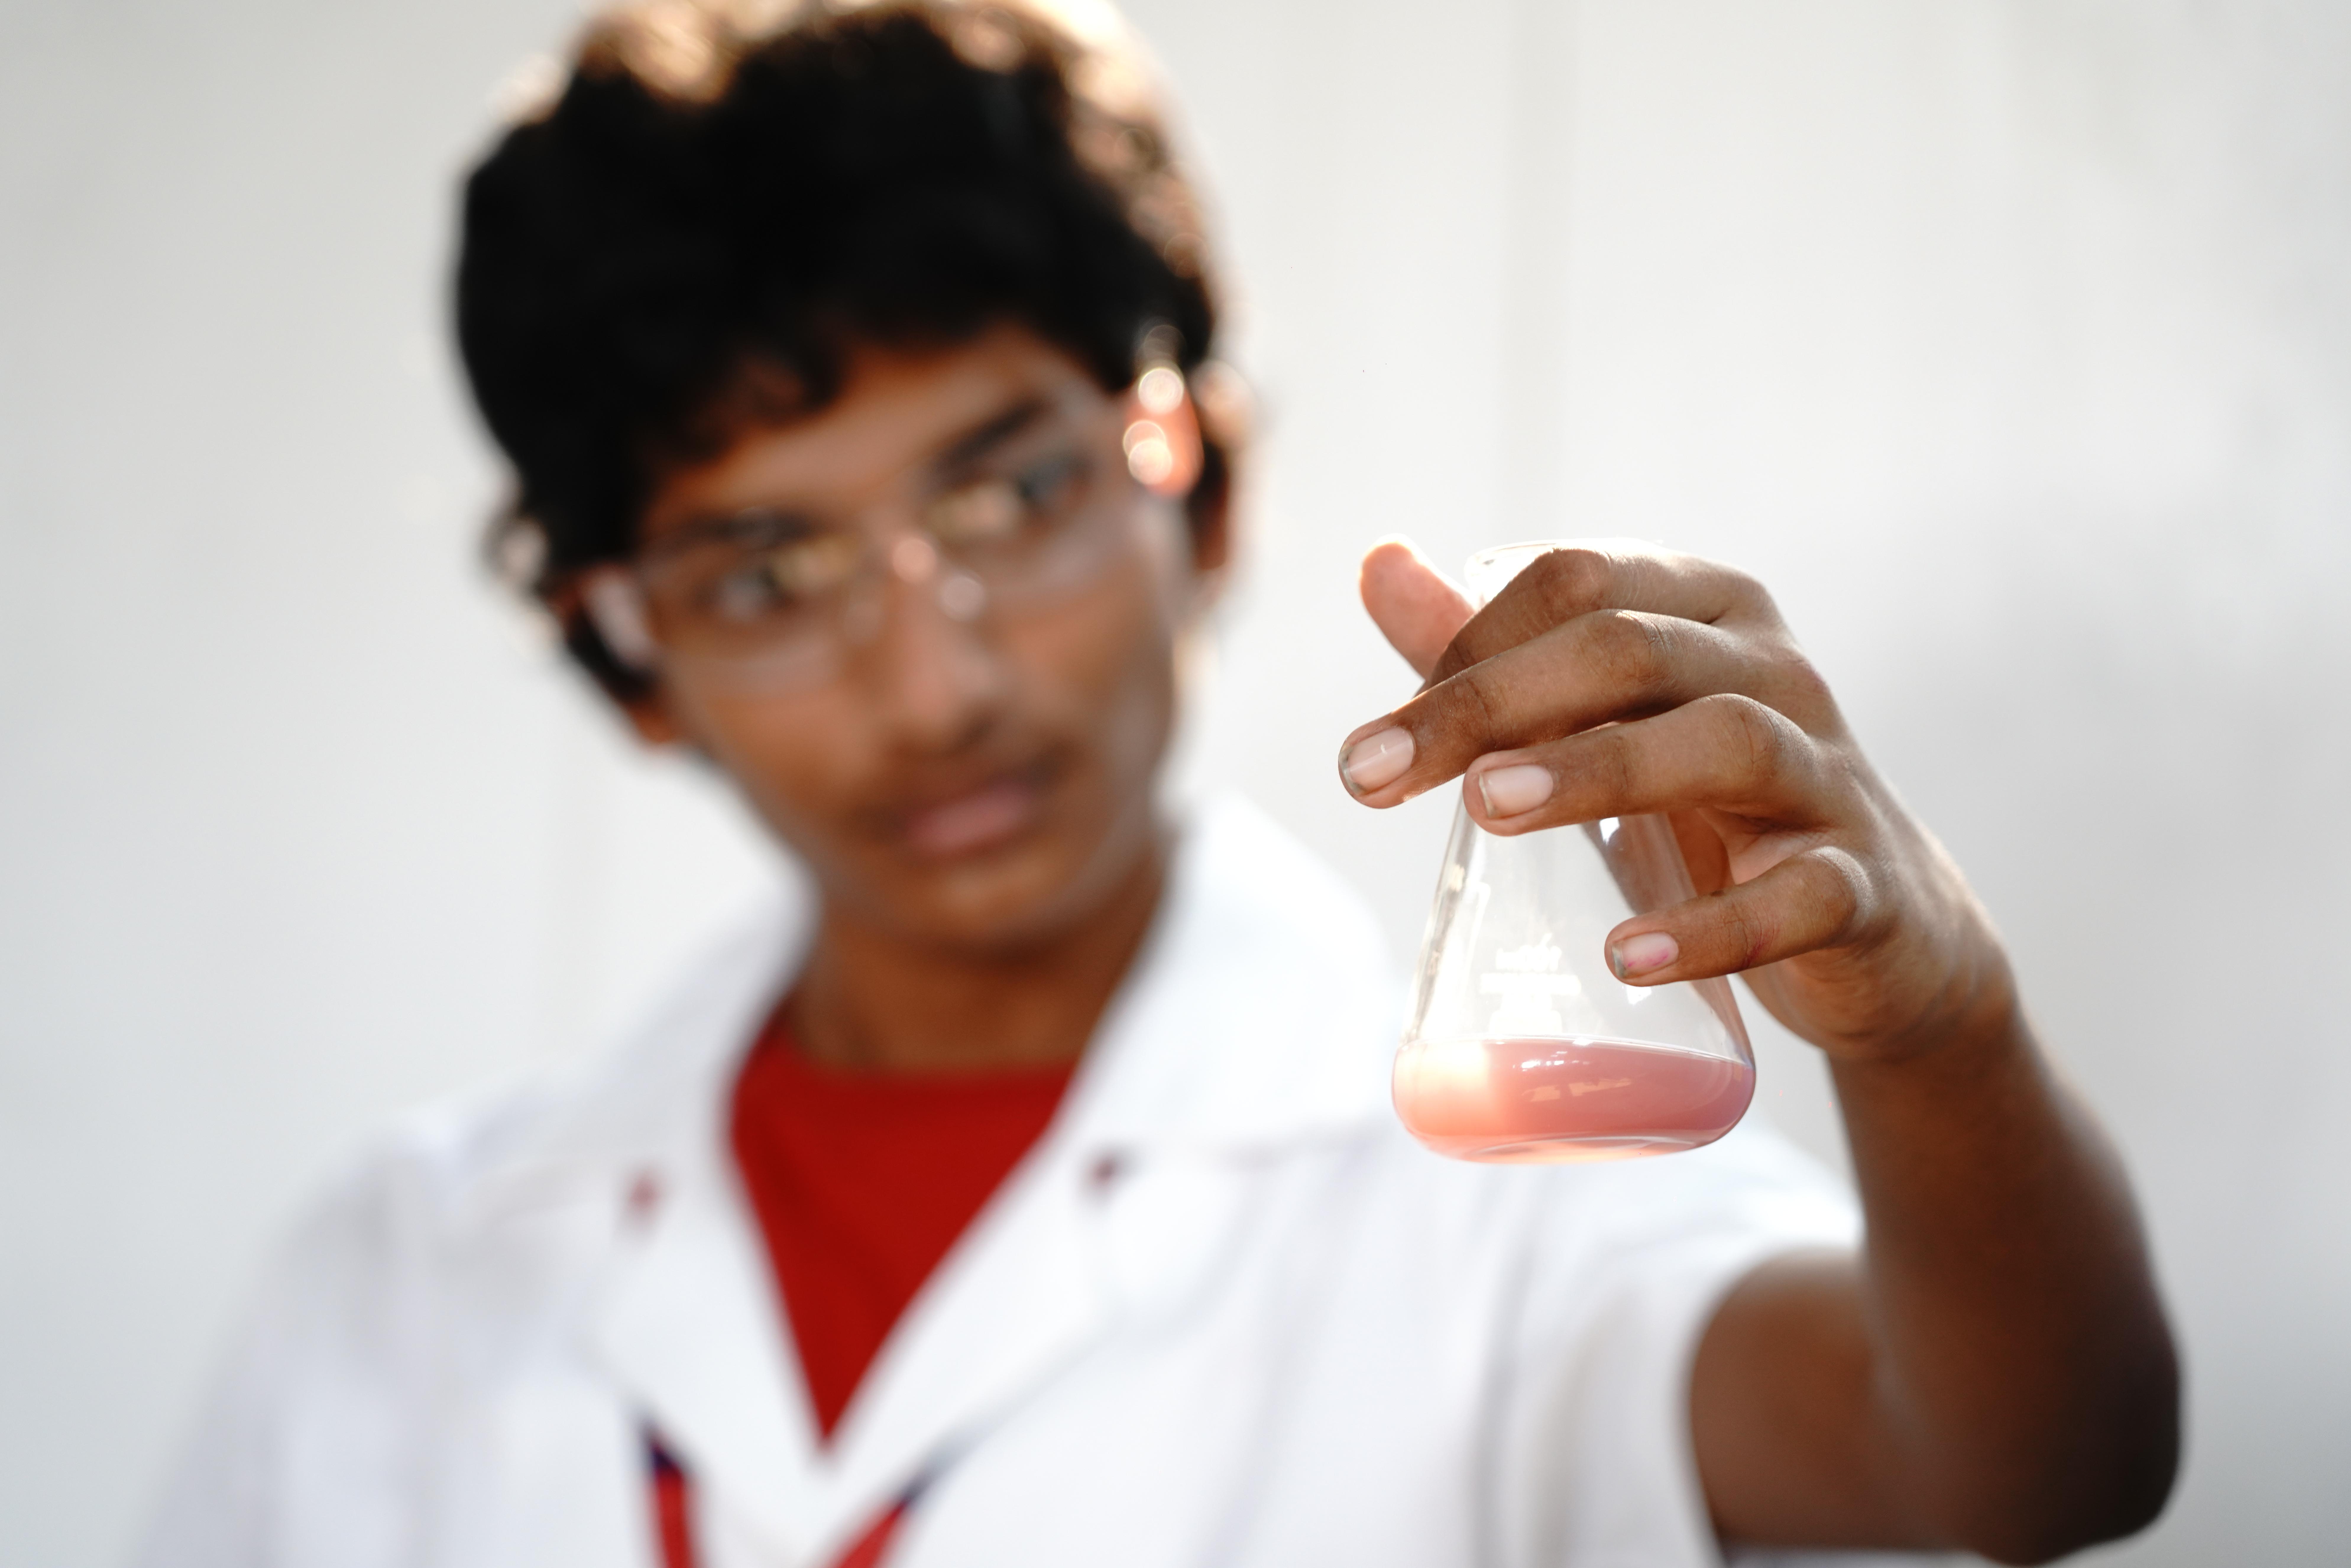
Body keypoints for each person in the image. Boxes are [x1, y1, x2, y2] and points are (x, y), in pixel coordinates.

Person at [137, 3, 2180, 1565]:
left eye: (1014, 490)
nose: (933, 684)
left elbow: (2026, 1456)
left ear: (1206, 487)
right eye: (762, 572)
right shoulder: (399, 1276)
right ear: (627, 656)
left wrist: (1937, 1025)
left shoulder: (1501, 1211)